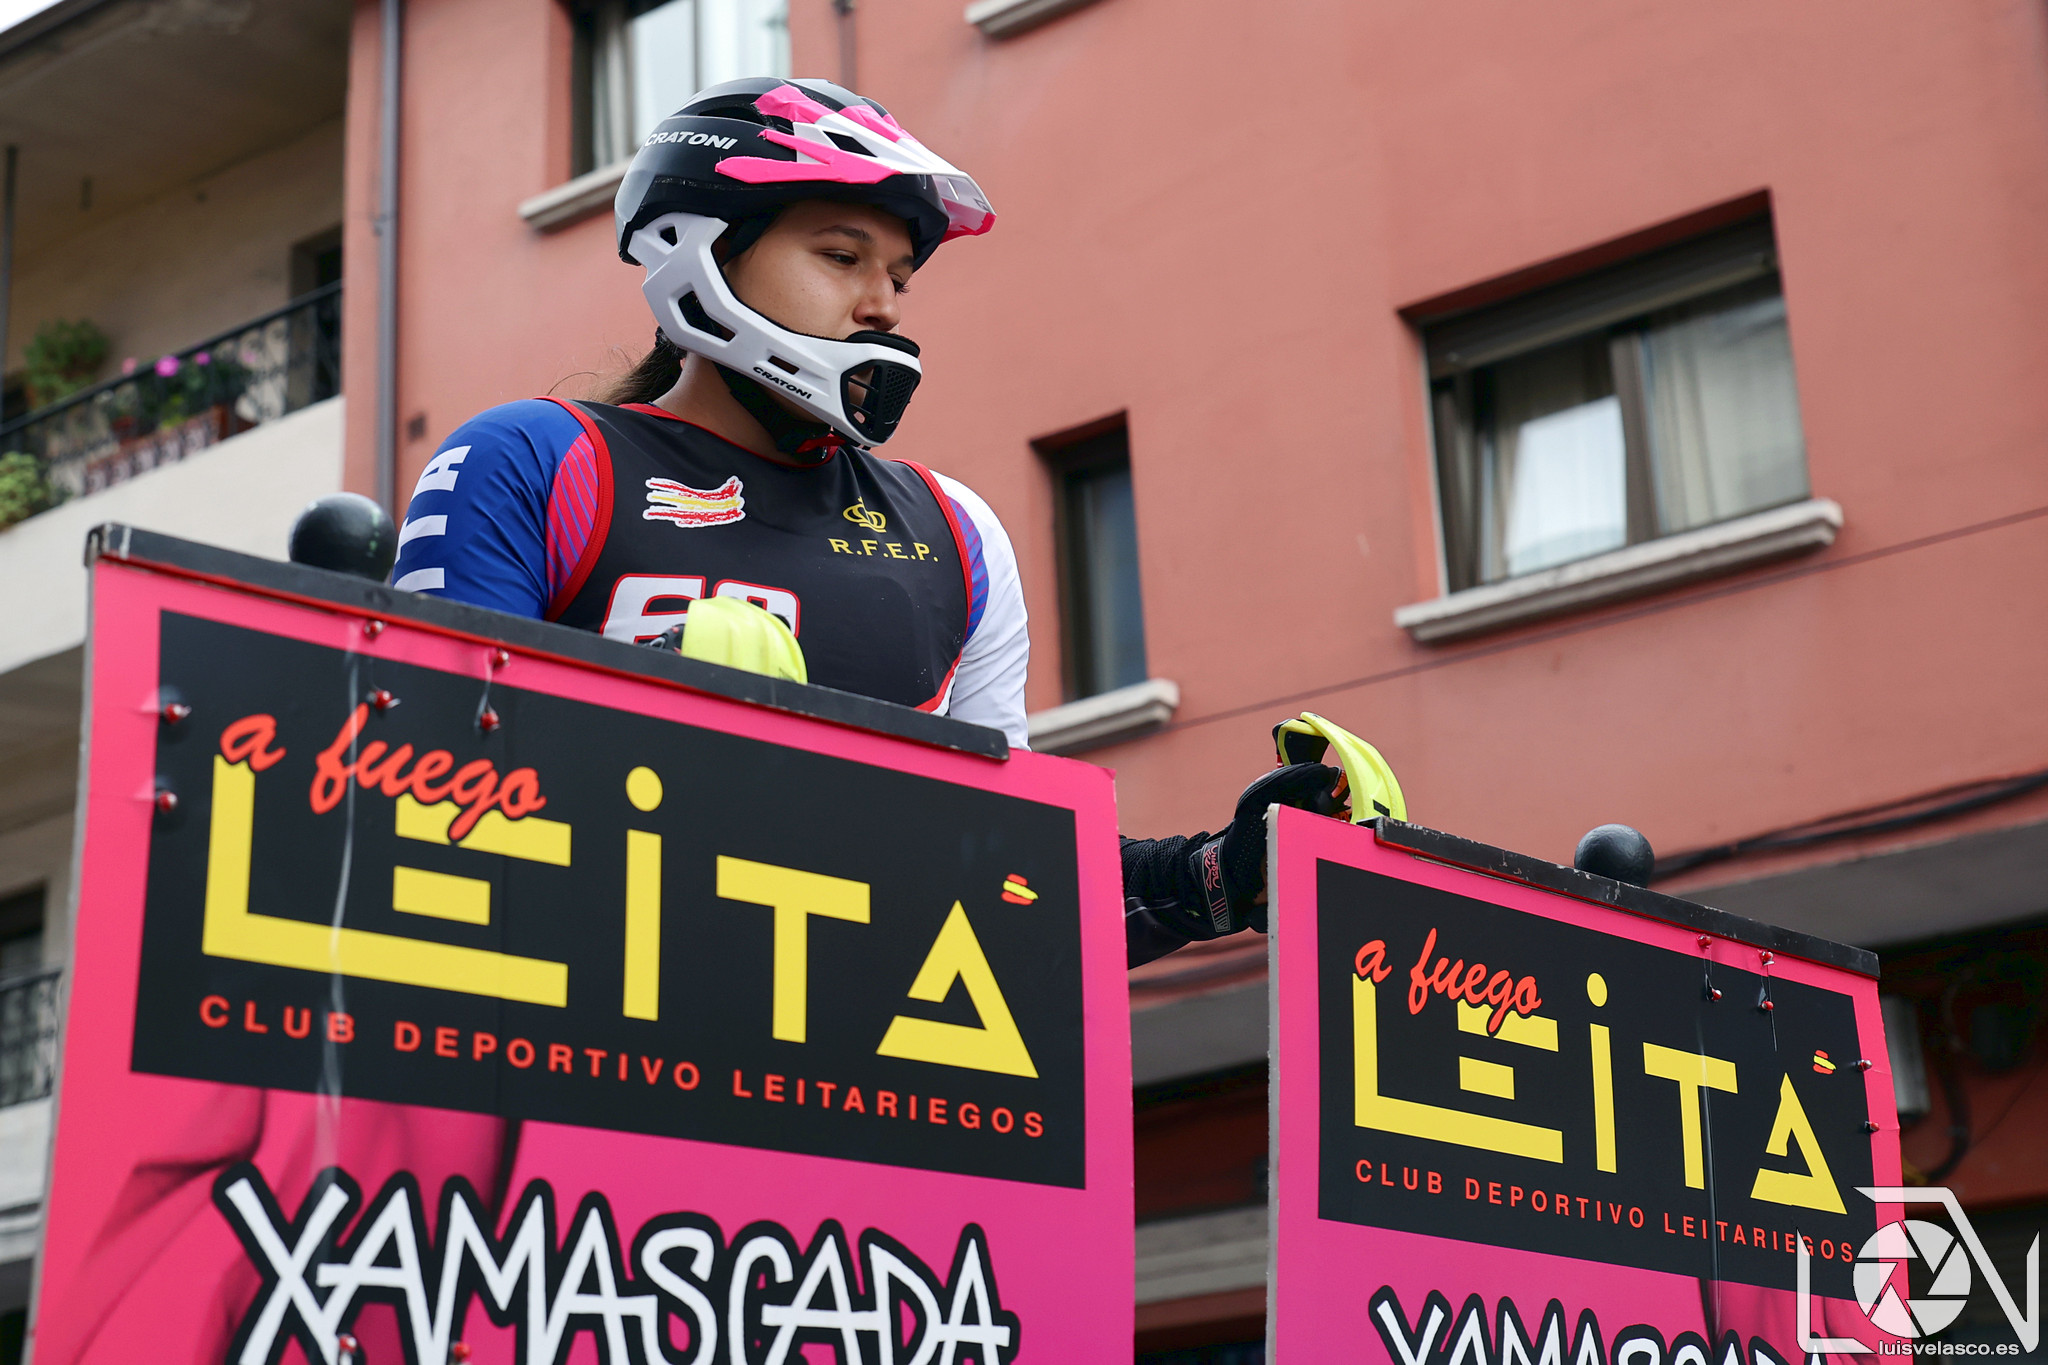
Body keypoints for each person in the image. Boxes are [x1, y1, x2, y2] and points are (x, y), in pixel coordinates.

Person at [386, 76, 1339, 967]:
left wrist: (1210, 878)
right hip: (573, 1046)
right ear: (699, 250)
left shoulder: (957, 532)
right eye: (841, 257)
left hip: (846, 1067)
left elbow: (1003, 869)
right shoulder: (534, 459)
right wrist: (655, 725)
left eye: (900, 277)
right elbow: (418, 782)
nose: (883, 305)